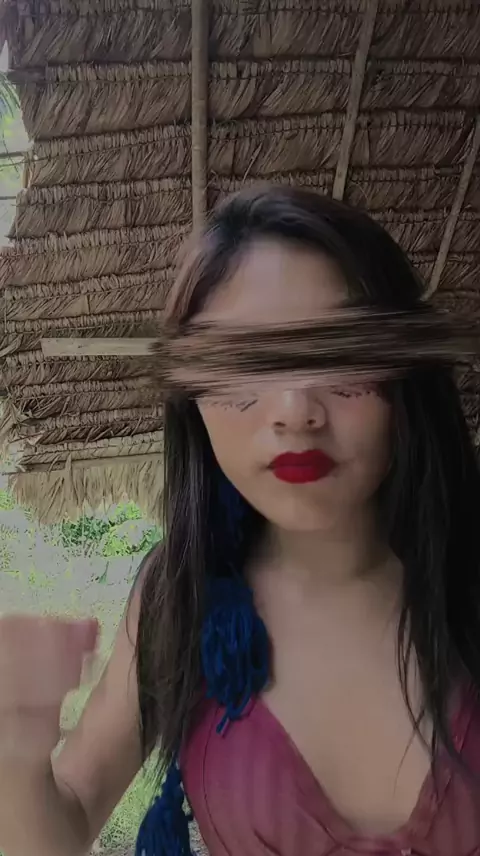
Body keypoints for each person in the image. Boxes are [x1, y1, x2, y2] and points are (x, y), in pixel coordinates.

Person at [1, 186, 480, 856]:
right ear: (192, 400)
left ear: (405, 374)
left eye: (336, 353)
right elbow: (63, 825)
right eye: (244, 364)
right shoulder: (181, 595)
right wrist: (17, 749)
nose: (294, 409)